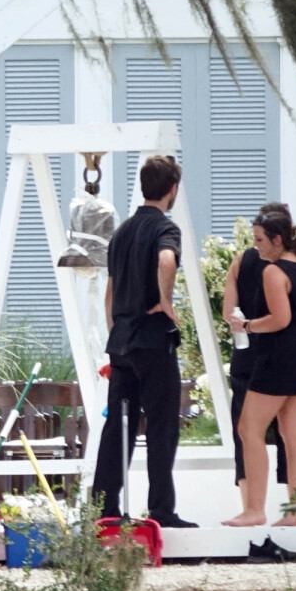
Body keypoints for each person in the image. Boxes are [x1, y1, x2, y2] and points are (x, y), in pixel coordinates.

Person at [90, 155, 198, 529]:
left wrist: (117, 332)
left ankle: (104, 509)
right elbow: (166, 261)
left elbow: (110, 294)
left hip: (122, 344)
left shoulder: (121, 232)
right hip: (153, 341)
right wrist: (165, 301)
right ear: (172, 189)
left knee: (117, 429)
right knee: (161, 427)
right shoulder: (165, 228)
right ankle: (161, 510)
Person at [222, 202, 296, 527]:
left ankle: (254, 509)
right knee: (293, 433)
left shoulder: (273, 271)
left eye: (259, 239)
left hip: (280, 356)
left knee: (249, 429)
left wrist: (247, 326)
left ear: (276, 239)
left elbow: (279, 319)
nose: (255, 246)